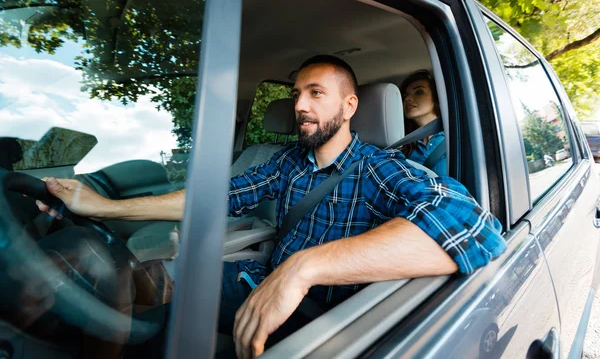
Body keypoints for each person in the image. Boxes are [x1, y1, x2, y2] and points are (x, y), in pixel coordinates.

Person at [37, 55, 507, 359]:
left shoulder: (381, 167)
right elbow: (213, 198)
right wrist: (106, 206)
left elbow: (477, 229)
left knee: (148, 330)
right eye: (296, 93)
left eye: (315, 93)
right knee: (123, 276)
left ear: (349, 106)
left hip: (330, 319)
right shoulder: (287, 162)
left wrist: (303, 268)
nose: (300, 105)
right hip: (257, 281)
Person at [400, 70, 446, 175]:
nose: (407, 98)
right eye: (405, 96)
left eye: (419, 92)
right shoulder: (403, 144)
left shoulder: (453, 139)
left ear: (436, 97)